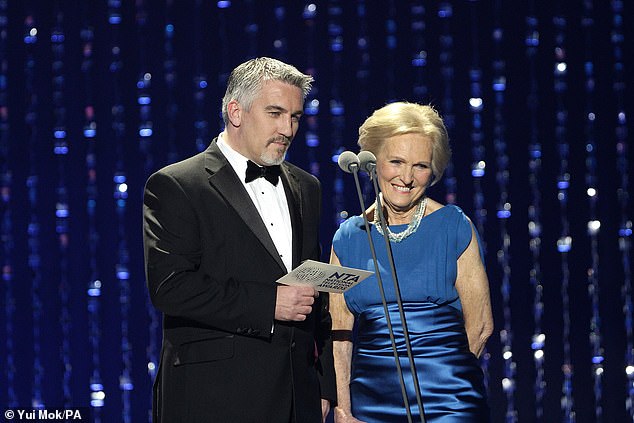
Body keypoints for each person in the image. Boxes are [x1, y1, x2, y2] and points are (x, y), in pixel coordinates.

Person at [143, 57, 336, 423]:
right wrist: (269, 303)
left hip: (299, 397)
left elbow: (314, 289)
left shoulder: (307, 188)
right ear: (236, 111)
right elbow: (171, 287)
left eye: (294, 116)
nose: (287, 129)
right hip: (213, 397)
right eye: (275, 113)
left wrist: (324, 383)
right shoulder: (178, 185)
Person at [330, 102, 493, 422]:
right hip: (370, 407)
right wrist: (344, 410)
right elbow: (338, 337)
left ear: (434, 171)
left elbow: (480, 326)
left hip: (449, 404)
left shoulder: (454, 226)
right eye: (396, 161)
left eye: (420, 165)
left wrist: (447, 385)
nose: (406, 177)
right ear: (373, 162)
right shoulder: (348, 238)